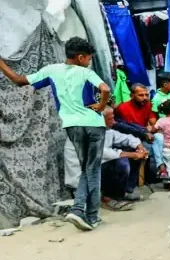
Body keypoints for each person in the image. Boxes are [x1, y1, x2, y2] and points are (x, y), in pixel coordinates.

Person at [0, 37, 110, 231]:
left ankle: (92, 216)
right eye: (89, 58)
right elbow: (105, 89)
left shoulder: (51, 70)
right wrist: (101, 106)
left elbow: (18, 80)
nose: (89, 62)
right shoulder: (85, 72)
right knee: (91, 169)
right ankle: (78, 210)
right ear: (81, 57)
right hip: (93, 124)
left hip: (71, 126)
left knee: (88, 169)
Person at [98, 108, 149, 211]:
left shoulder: (108, 131)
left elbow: (128, 138)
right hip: (95, 168)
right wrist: (133, 155)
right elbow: (104, 153)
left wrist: (140, 147)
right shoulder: (93, 133)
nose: (113, 122)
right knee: (122, 162)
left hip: (105, 164)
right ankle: (108, 198)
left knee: (132, 151)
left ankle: (124, 191)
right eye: (110, 119)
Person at [116, 84, 168, 179]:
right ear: (132, 95)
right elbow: (128, 129)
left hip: (145, 138)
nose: (145, 98)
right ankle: (161, 170)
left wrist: (152, 129)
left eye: (146, 95)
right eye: (141, 95)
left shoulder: (148, 105)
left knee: (160, 138)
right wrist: (145, 130)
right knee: (156, 143)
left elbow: (154, 125)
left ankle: (162, 169)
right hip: (129, 141)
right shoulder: (123, 108)